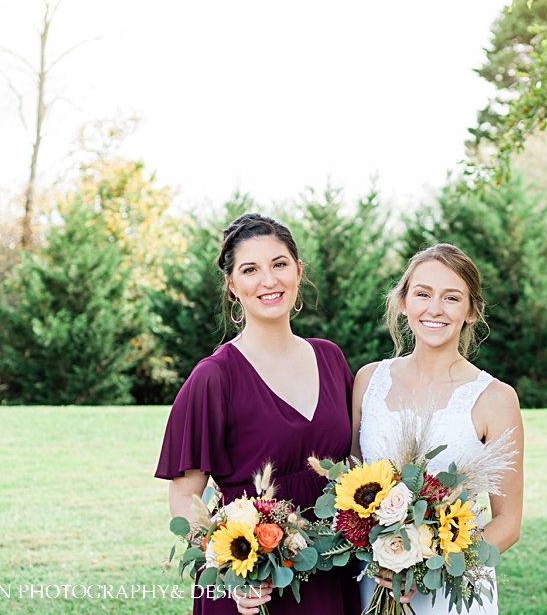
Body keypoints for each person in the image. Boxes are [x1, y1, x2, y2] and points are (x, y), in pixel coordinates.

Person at [156, 213, 360, 615]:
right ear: (232, 286)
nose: (268, 281)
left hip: (333, 565)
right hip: (255, 583)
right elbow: (184, 494)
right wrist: (232, 571)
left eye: (279, 264)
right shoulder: (214, 377)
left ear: (298, 271)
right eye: (250, 270)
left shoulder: (331, 357)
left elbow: (354, 462)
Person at [351, 243, 524, 614]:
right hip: (376, 580)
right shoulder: (368, 381)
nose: (434, 309)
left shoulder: (495, 397)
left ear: (472, 310)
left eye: (451, 297)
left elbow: (508, 522)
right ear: (403, 302)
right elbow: (347, 488)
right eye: (423, 293)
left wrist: (431, 566)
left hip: (453, 591)